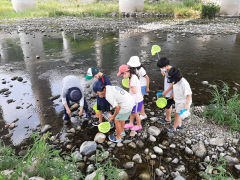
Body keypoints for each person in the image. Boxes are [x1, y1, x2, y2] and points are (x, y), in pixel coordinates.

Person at [117, 64, 143, 131]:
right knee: (132, 112)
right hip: (133, 100)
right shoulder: (131, 77)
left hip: (137, 100)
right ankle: (131, 123)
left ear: (126, 73)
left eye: (122, 75)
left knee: (136, 113)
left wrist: (130, 86)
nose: (123, 77)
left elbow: (134, 91)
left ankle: (139, 125)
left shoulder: (133, 79)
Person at [167, 67, 192, 133]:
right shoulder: (175, 80)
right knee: (176, 112)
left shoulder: (184, 83)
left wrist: (186, 104)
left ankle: (174, 128)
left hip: (183, 101)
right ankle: (179, 125)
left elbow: (189, 95)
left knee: (177, 115)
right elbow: (174, 87)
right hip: (178, 99)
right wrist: (172, 94)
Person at [127, 56, 150, 120]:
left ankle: (143, 114)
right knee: (138, 100)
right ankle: (140, 111)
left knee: (140, 100)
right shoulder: (134, 69)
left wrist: (147, 87)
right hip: (138, 85)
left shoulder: (141, 70)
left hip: (142, 86)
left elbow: (147, 78)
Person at [157, 57, 175, 125]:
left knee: (167, 106)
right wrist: (163, 72)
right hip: (169, 91)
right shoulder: (169, 69)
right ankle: (169, 117)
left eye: (162, 67)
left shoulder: (171, 72)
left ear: (166, 66)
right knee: (169, 105)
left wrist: (168, 92)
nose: (161, 69)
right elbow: (166, 76)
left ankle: (168, 119)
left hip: (170, 92)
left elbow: (174, 84)